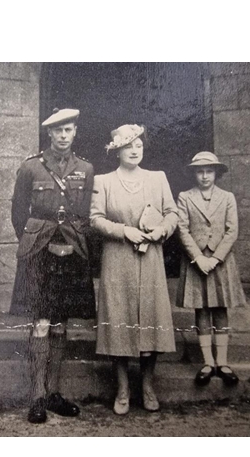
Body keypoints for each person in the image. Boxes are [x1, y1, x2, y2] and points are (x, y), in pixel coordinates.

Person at [10, 108, 96, 424]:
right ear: (50, 133)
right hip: (39, 252)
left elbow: (87, 214)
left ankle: (55, 393)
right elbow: (19, 213)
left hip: (72, 248)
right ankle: (37, 396)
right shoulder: (31, 167)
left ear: (75, 132)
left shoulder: (85, 169)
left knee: (62, 324)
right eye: (58, 130)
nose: (63, 136)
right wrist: (35, 238)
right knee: (41, 322)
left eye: (68, 130)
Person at [90, 124, 178, 415]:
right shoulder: (104, 182)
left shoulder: (157, 178)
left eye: (138, 145)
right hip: (117, 258)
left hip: (150, 258)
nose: (134, 150)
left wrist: (162, 230)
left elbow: (172, 213)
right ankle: (123, 387)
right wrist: (124, 231)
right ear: (117, 150)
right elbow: (95, 219)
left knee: (151, 318)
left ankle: (148, 385)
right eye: (128, 146)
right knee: (119, 320)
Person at [176, 151, 246, 387]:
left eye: (209, 171)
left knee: (220, 308)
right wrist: (198, 257)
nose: (205, 176)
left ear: (216, 173)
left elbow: (232, 231)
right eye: (200, 171)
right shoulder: (185, 197)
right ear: (194, 174)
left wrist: (215, 258)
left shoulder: (227, 197)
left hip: (220, 261)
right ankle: (208, 363)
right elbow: (182, 229)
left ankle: (223, 362)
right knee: (202, 309)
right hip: (196, 260)